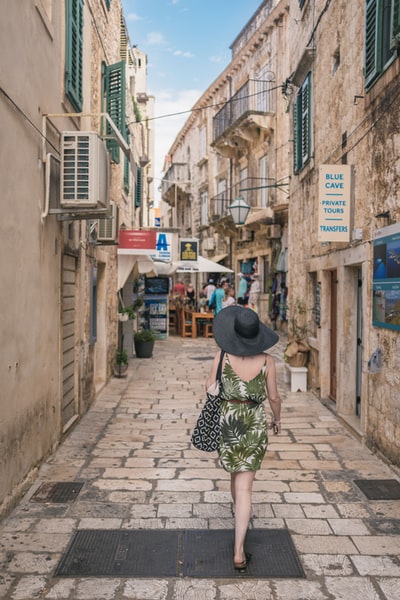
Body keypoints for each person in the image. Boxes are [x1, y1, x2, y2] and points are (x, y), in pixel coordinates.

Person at [206, 306, 281, 571]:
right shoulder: (267, 361)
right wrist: (277, 418)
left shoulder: (222, 356)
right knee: (246, 486)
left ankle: (240, 511)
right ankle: (239, 551)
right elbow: (273, 397)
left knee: (234, 476)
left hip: (229, 420)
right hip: (253, 421)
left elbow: (209, 389)